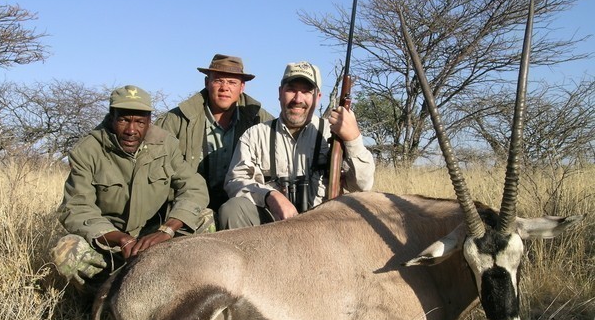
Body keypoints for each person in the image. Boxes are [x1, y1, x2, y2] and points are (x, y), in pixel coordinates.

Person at [51, 85, 212, 298]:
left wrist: (167, 230)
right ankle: (103, 301)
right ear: (111, 118)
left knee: (205, 218)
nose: (131, 130)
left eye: (139, 122)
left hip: (154, 239)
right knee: (66, 249)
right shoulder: (87, 150)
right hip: (110, 244)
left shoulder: (166, 145)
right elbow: (76, 208)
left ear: (148, 122)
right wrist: (119, 239)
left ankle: (189, 295)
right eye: (124, 120)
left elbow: (194, 188)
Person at [219, 61, 375, 229]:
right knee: (232, 209)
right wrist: (270, 196)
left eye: (306, 91)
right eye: (291, 89)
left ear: (318, 97)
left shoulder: (334, 133)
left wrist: (353, 139)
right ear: (280, 93)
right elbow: (235, 181)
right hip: (271, 228)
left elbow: (362, 186)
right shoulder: (255, 135)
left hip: (324, 228)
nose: (298, 99)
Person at [156, 54, 273, 212]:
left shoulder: (262, 121)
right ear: (207, 82)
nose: (225, 87)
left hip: (240, 208)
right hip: (186, 206)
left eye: (232, 82)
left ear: (242, 87)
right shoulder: (176, 119)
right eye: (218, 80)